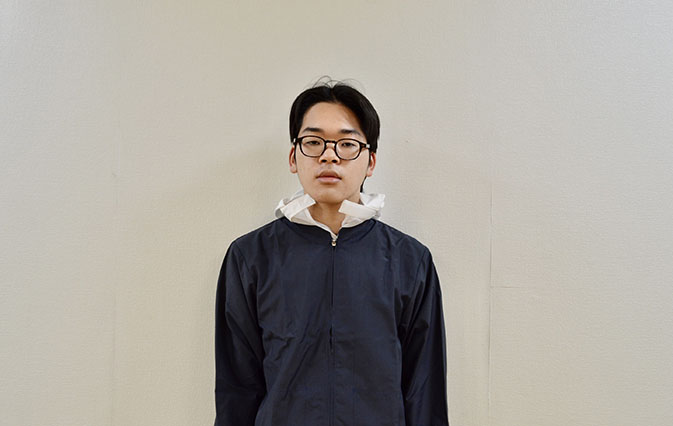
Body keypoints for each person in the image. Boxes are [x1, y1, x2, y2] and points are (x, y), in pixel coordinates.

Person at [214, 80, 449, 426]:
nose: (329, 155)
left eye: (347, 144)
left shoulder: (410, 262)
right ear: (294, 157)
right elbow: (236, 389)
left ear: (370, 161)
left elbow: (425, 392)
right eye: (313, 142)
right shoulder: (250, 257)